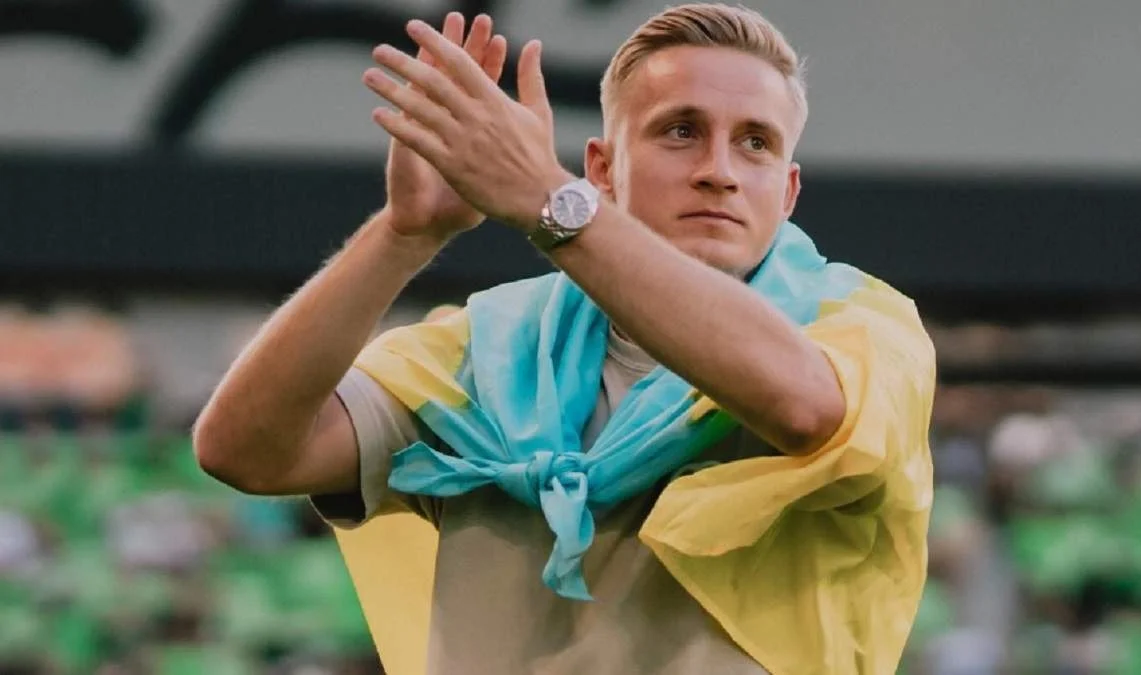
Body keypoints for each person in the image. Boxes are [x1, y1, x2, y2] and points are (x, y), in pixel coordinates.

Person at [193, 4, 937, 674]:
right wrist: (403, 236)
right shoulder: (488, 348)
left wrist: (548, 201)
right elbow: (243, 450)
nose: (719, 171)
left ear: (789, 189)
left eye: (755, 143)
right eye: (681, 131)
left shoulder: (861, 325)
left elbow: (806, 408)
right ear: (603, 169)